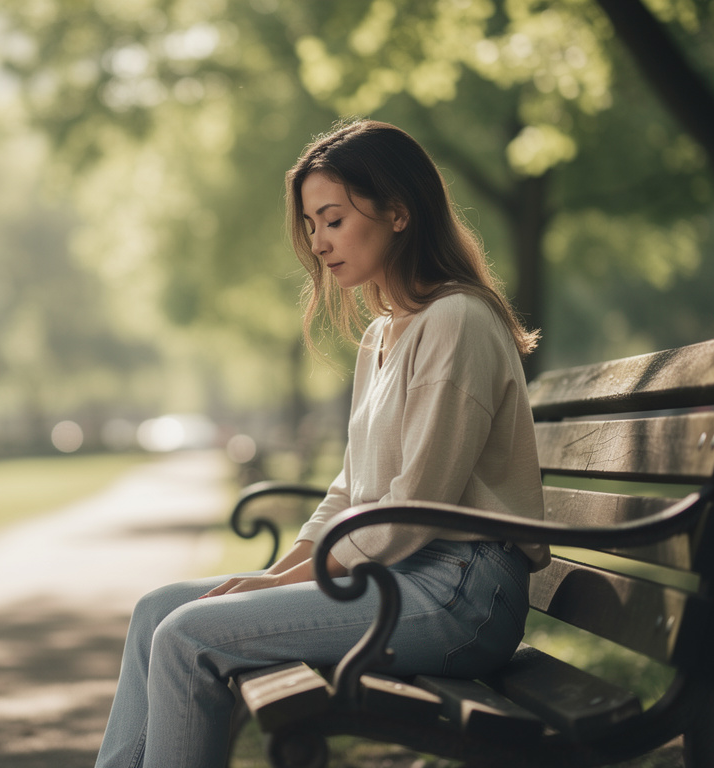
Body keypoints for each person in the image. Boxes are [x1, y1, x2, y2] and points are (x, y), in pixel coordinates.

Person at [94, 119, 550, 768]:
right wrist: (277, 575)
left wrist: (290, 579)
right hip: (403, 579)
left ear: (398, 212)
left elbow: (413, 505)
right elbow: (351, 489)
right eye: (311, 225)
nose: (319, 242)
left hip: (461, 593)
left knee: (187, 637)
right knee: (157, 612)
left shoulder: (457, 322)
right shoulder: (382, 337)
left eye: (333, 219)